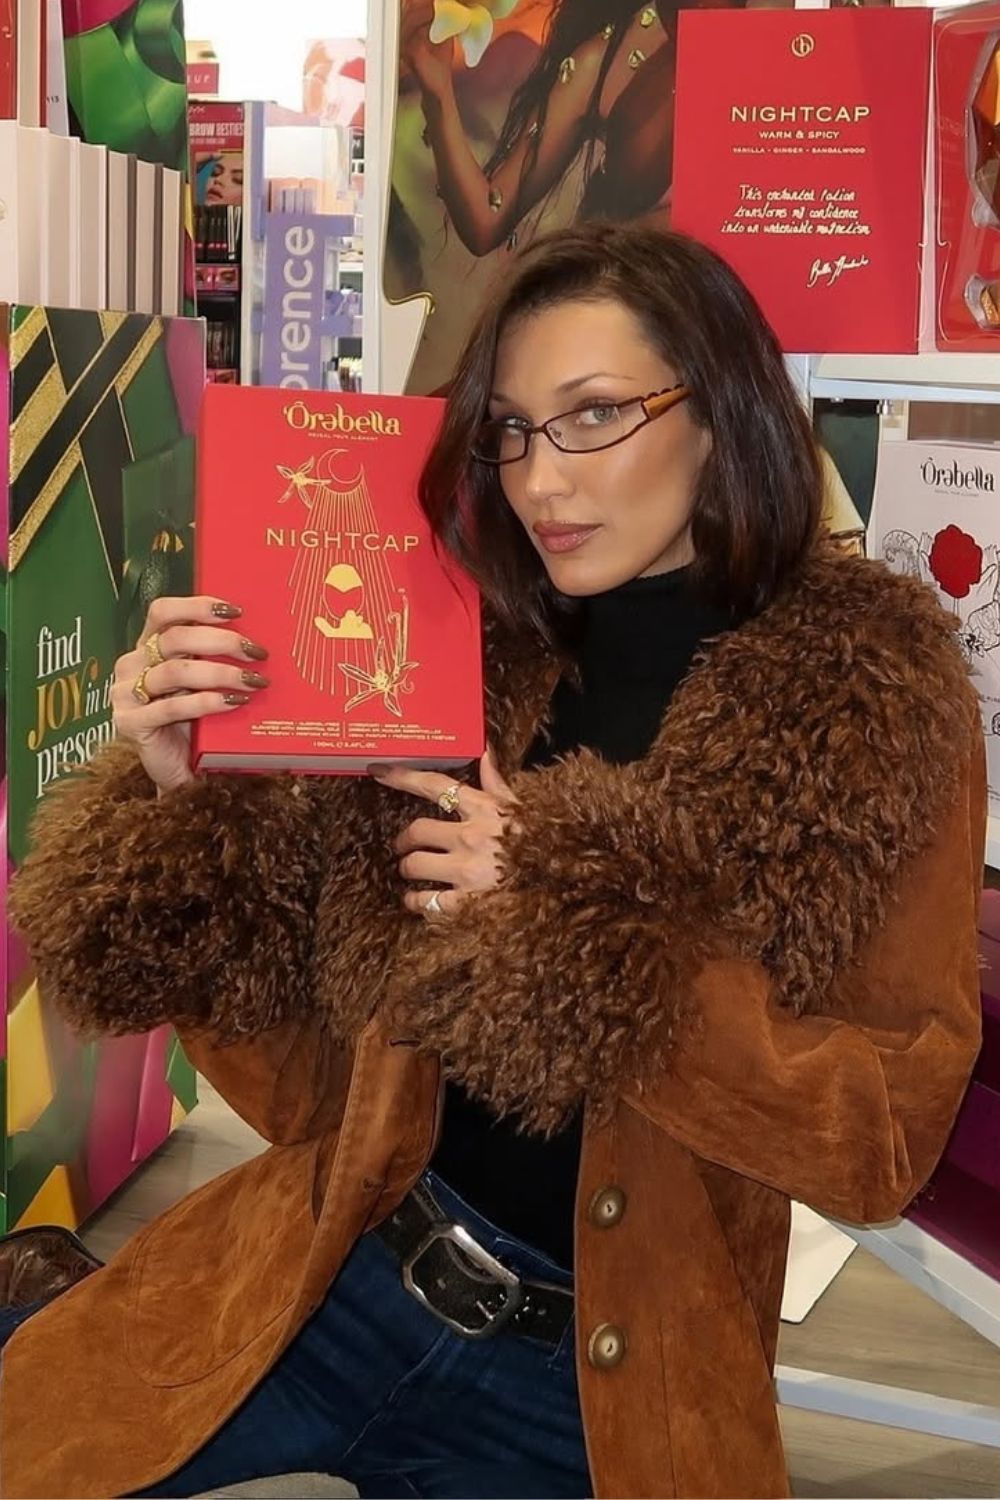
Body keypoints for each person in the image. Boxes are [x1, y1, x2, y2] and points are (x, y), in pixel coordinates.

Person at [3, 222, 984, 1500]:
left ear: (720, 412)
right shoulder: (457, 640)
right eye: (511, 429)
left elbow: (878, 1142)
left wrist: (570, 928)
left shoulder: (872, 703)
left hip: (595, 1368)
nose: (539, 480)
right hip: (328, 1268)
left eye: (593, 416)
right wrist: (194, 796)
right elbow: (306, 1094)